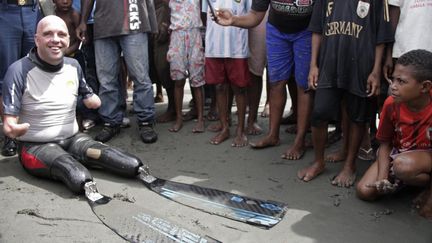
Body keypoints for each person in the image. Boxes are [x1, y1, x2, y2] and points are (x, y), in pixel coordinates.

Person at [2, 16, 144, 195]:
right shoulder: (18, 70)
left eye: (61, 34)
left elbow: (88, 94)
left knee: (127, 162)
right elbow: (9, 121)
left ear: (68, 40)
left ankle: (138, 172)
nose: (55, 39)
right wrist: (12, 128)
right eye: (48, 34)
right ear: (37, 39)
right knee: (77, 175)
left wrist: (92, 99)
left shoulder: (73, 65)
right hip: (35, 146)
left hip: (73, 139)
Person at [297, 0, 393, 187]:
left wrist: (375, 71)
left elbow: (381, 37)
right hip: (329, 65)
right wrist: (313, 65)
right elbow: (317, 30)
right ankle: (318, 161)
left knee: (357, 117)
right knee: (319, 114)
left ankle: (350, 166)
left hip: (361, 66)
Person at [215, 0, 314, 159]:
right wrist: (234, 20)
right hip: (277, 31)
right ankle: (272, 135)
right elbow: (255, 15)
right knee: (276, 82)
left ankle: (299, 140)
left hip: (306, 32)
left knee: (303, 85)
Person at [356, 49, 432, 219]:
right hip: (399, 154)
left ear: (425, 87)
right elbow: (384, 144)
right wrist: (382, 178)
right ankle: (406, 180)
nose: (393, 86)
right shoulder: (391, 104)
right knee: (364, 191)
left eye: (401, 81)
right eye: (393, 79)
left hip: (424, 157)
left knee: (403, 166)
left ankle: (425, 186)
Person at [76, 0, 158, 144]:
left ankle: (146, 122)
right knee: (106, 79)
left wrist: (152, 23)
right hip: (103, 26)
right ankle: (111, 121)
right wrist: (83, 21)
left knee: (140, 77)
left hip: (134, 23)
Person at [203, 0, 251, 147]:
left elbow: (251, 15)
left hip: (236, 44)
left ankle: (240, 130)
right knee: (219, 87)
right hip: (214, 44)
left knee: (239, 88)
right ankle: (224, 127)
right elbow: (205, 14)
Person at [0, 0, 41, 157]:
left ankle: (34, 129)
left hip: (33, 10)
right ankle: (10, 134)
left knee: (34, 73)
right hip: (6, 10)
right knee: (6, 77)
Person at [167, 0, 205, 133]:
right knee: (178, 79)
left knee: (197, 80)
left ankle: (200, 119)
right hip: (177, 34)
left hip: (194, 33)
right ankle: (179, 118)